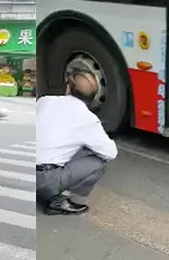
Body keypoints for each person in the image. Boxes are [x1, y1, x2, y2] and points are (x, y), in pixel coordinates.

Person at [35, 59, 118, 215]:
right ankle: (57, 200)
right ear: (93, 98)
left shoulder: (44, 101)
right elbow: (111, 153)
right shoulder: (87, 118)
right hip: (43, 178)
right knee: (99, 160)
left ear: (68, 88)